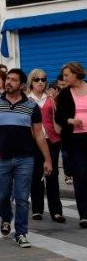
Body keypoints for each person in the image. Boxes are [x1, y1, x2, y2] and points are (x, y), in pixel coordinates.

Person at [0, 69, 54, 247]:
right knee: (2, 197)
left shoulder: (32, 106)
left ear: (22, 85)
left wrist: (47, 159)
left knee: (22, 197)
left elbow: (39, 135)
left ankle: (21, 233)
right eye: (7, 79)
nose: (8, 82)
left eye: (13, 80)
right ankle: (6, 218)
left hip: (25, 158)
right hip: (1, 158)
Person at [26, 70, 62, 223]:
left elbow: (57, 117)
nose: (40, 82)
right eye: (36, 79)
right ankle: (37, 209)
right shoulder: (26, 99)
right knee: (36, 176)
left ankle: (56, 211)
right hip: (33, 141)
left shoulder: (51, 98)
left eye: (43, 79)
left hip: (51, 139)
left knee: (52, 175)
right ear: (31, 82)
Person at [54, 62, 87, 228]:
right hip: (75, 140)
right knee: (81, 175)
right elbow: (59, 116)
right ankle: (84, 214)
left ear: (76, 73)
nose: (64, 78)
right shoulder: (65, 93)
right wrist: (70, 120)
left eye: (67, 75)